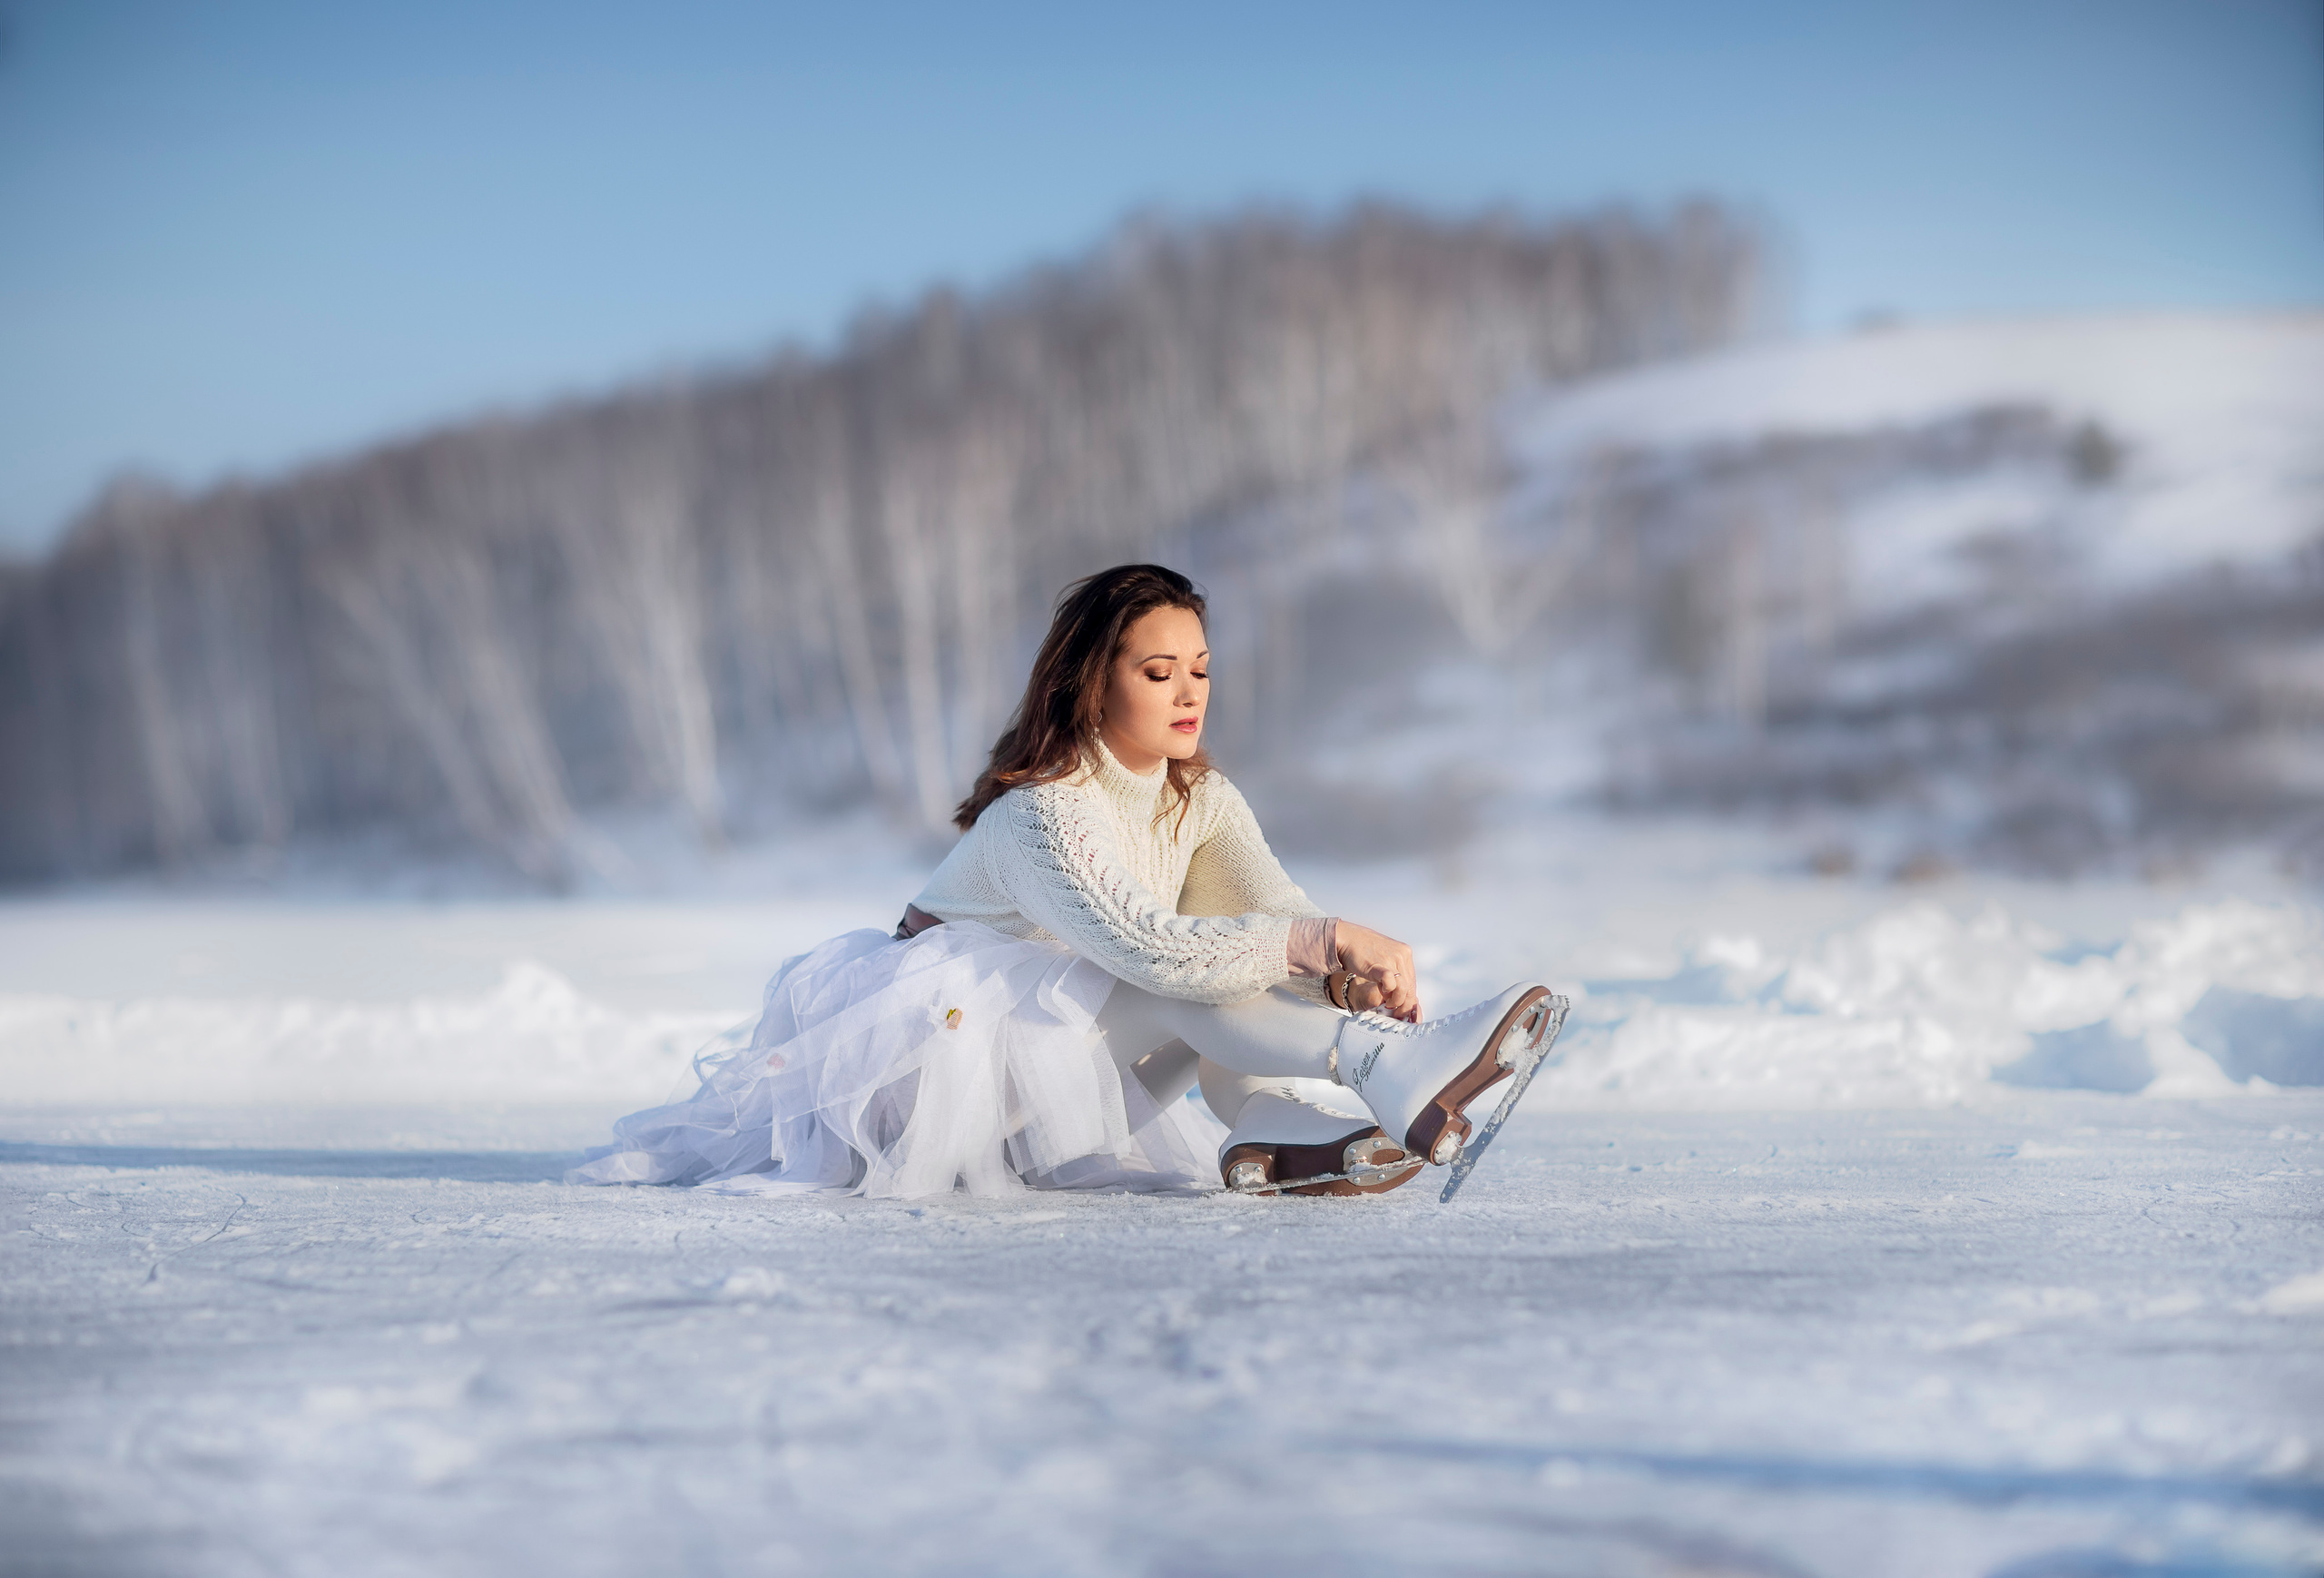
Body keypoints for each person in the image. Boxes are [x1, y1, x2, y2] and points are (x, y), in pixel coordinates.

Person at [570, 565, 1554, 1200]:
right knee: (1165, 968)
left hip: (1062, 1093)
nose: (1189, 694)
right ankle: (1394, 1069)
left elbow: (1273, 920)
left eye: (1201, 670)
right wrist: (1328, 946)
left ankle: (1279, 1138)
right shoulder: (1043, 809)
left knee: (1228, 956)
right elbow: (1147, 949)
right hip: (930, 1102)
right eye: (1159, 670)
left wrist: (1339, 968)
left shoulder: (1199, 798)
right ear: (1094, 681)